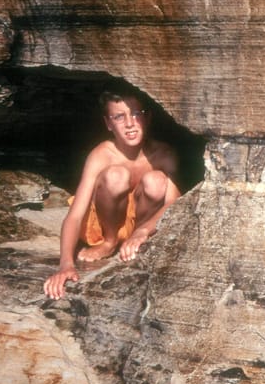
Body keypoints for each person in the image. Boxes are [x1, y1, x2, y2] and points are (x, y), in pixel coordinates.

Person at [44, 89, 181, 300]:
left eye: (136, 114)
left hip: (139, 226)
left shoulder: (164, 154)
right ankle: (110, 242)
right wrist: (65, 265)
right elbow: (75, 215)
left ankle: (132, 239)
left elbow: (175, 204)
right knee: (117, 175)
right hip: (101, 226)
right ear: (108, 124)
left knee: (156, 181)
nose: (129, 123)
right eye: (119, 116)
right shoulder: (102, 155)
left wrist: (142, 232)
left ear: (148, 117)